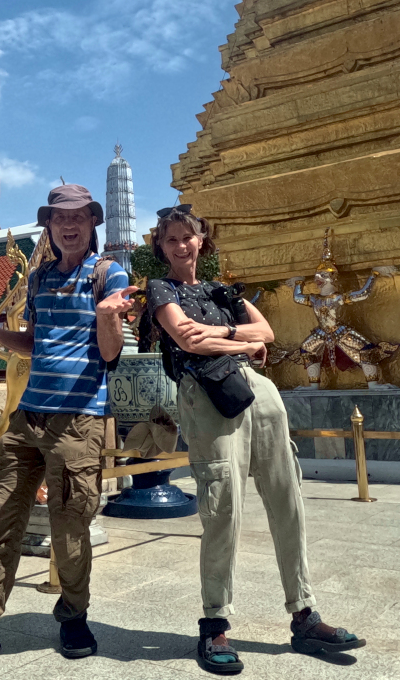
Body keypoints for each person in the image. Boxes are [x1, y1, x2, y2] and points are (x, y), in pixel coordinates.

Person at [0, 184, 135, 675]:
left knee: (70, 529)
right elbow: (35, 344)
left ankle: (74, 616)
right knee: (0, 523)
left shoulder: (108, 273)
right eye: (60, 218)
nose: (69, 225)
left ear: (92, 222)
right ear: (49, 226)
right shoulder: (38, 278)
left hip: (78, 420)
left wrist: (108, 316)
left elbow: (109, 353)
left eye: (78, 217)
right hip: (27, 417)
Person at [141, 205, 365, 675]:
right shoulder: (161, 289)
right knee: (223, 508)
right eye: (171, 239)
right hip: (209, 395)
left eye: (188, 237)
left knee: (288, 499)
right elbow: (188, 340)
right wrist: (243, 343)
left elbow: (268, 332)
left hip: (258, 391)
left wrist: (223, 332)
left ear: (202, 241)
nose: (181, 245)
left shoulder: (221, 291)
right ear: (161, 246)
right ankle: (214, 623)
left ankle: (304, 614)